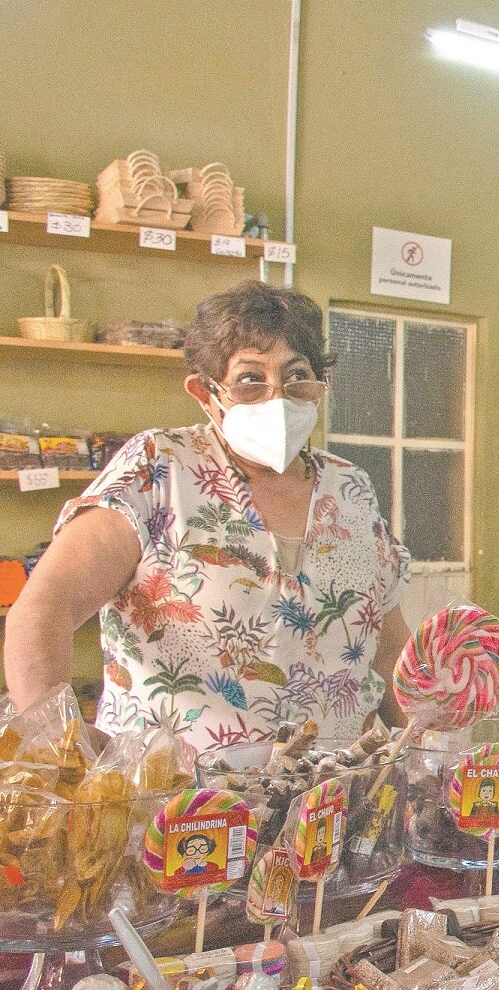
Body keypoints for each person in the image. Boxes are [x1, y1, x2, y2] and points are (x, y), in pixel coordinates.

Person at [2, 282, 410, 751]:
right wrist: (58, 741)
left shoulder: (350, 487)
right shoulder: (159, 468)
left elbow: (386, 645)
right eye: (250, 378)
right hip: (176, 790)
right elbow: (44, 609)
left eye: (297, 375)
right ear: (206, 392)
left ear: (320, 384)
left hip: (335, 787)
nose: (277, 399)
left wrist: (434, 749)